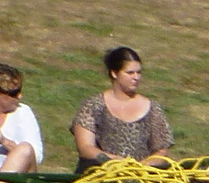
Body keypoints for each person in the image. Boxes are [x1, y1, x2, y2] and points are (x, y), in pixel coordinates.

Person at [71, 46, 171, 174]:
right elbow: (85, 148)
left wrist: (140, 167)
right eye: (130, 73)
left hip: (143, 178)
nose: (136, 77)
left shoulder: (152, 109)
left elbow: (162, 151)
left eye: (138, 72)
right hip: (101, 176)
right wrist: (117, 163)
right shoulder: (93, 106)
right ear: (114, 73)